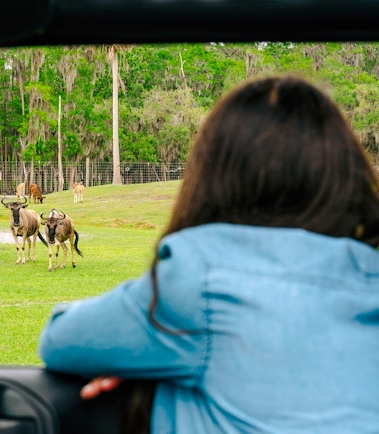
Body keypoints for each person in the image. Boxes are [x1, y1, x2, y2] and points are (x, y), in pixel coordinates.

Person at [37, 75, 379, 433]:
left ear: (214, 174)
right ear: (343, 172)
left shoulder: (201, 277)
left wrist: (142, 370)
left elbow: (61, 339)